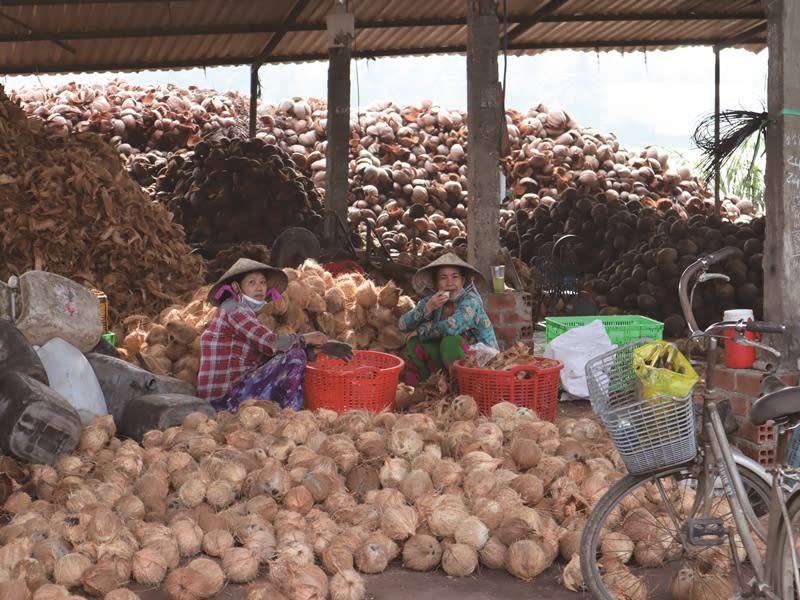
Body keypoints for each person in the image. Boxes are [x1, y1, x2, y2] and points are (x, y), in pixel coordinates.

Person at [197, 257, 327, 412]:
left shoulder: (241, 309)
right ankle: (289, 413)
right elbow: (270, 343)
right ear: (236, 287)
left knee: (296, 353)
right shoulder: (234, 308)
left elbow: (264, 356)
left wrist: (308, 349)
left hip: (228, 394)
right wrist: (306, 338)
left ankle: (280, 411)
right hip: (222, 400)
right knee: (295, 356)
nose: (259, 288)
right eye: (252, 282)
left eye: (263, 282)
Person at [398, 253, 498, 386]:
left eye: (455, 277)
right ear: (436, 283)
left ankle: (462, 389)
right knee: (415, 343)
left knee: (450, 341)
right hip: (448, 357)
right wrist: (428, 308)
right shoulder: (432, 301)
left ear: (463, 281)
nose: (450, 283)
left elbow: (452, 328)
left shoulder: (470, 301)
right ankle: (424, 388)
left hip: (480, 361)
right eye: (443, 278)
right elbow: (403, 325)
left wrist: (422, 331)